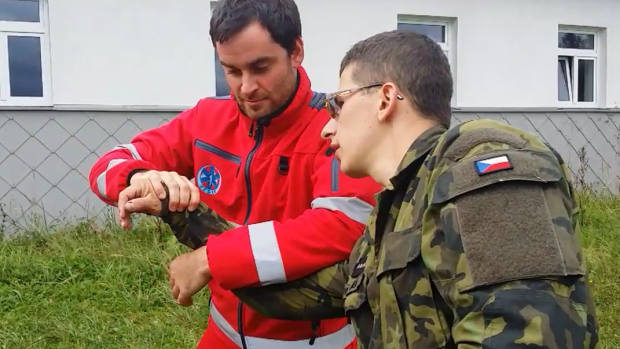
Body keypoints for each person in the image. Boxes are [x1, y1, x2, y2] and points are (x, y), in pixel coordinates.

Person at [155, 30, 601, 348]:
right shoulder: (396, 213)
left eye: (338, 103)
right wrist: (184, 213)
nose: (327, 127)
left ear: (385, 99)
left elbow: (528, 333)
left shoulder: (479, 166)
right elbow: (296, 296)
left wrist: (209, 256)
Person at [87, 0, 380, 348]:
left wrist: (212, 258)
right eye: (232, 71)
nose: (246, 87)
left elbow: (342, 227)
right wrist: (139, 178)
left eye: (261, 67)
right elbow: (107, 166)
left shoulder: (335, 125)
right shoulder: (207, 118)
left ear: (296, 51)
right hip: (223, 335)